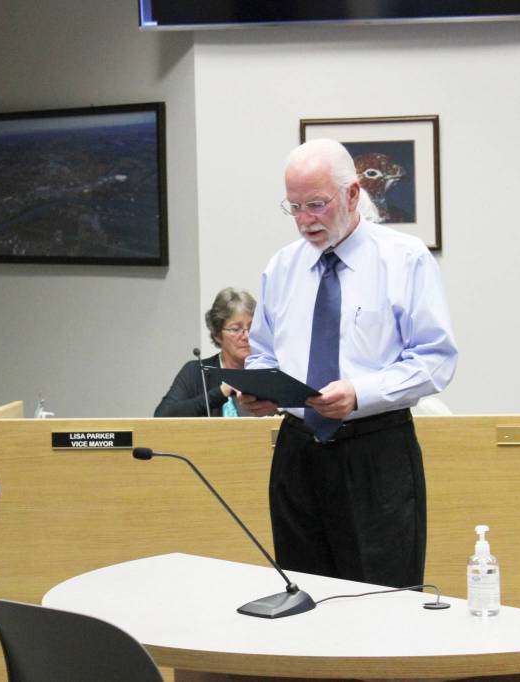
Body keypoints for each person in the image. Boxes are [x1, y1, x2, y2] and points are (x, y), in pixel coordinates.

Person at [241, 139, 457, 588]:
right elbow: (263, 352)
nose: (304, 221)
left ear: (354, 194)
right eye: (294, 207)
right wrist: (258, 389)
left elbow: (435, 360)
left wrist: (361, 393)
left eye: (316, 205)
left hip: (375, 452)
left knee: (382, 601)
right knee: (304, 596)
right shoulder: (282, 268)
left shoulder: (404, 259)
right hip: (297, 453)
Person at [154, 287, 256, 417]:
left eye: (252, 327)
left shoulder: (267, 371)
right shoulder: (196, 372)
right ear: (217, 335)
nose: (246, 335)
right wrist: (220, 393)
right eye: (236, 329)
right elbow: (163, 415)